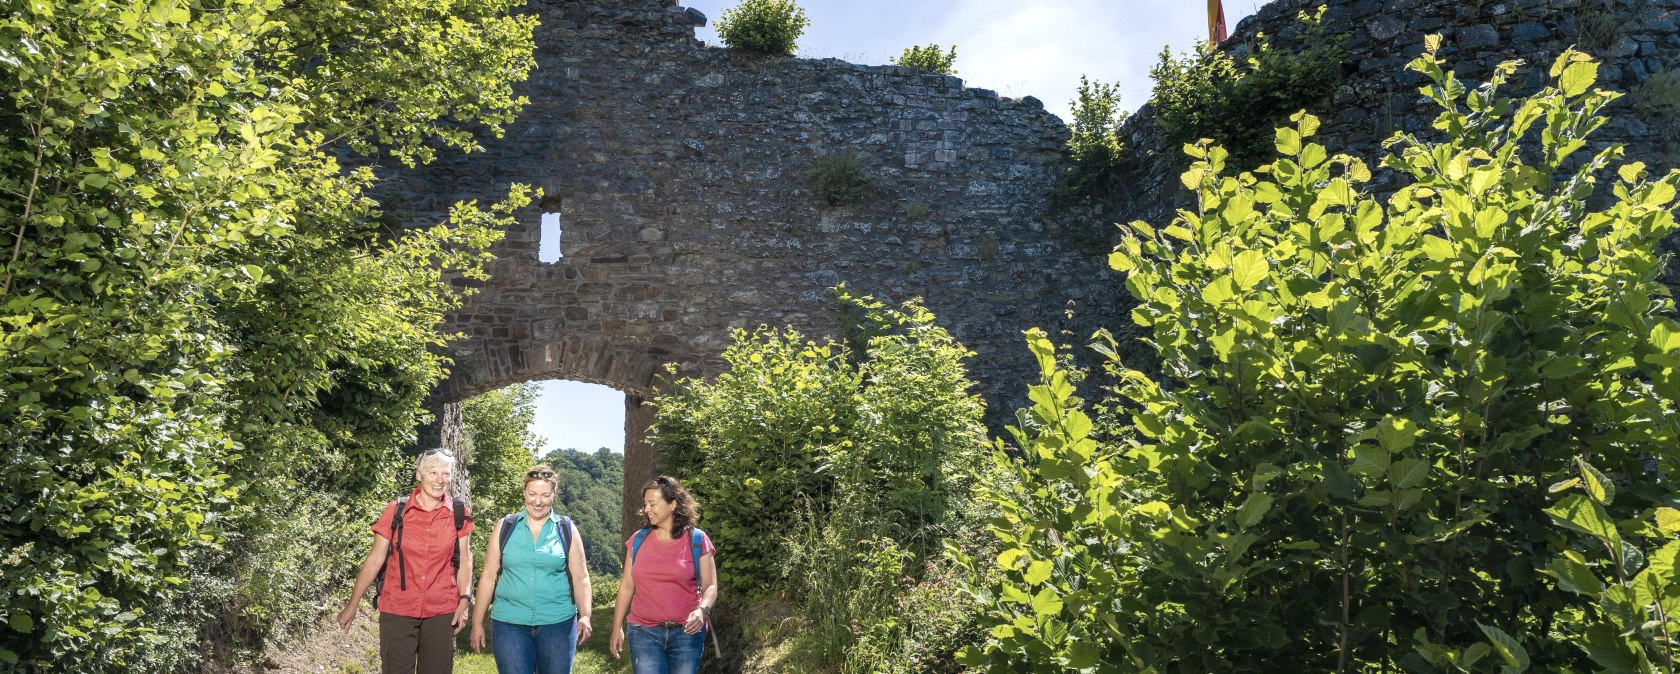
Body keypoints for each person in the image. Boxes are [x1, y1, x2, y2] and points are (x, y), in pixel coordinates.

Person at [338, 449, 476, 674]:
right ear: (419, 475)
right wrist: (352, 605)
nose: (440, 480)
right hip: (398, 608)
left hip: (441, 609)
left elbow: (465, 560)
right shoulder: (396, 510)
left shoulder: (458, 513)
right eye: (433, 473)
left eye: (446, 474)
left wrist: (464, 600)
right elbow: (374, 559)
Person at [469, 465, 593, 674]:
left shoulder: (566, 528)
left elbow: (581, 577)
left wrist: (585, 615)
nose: (538, 501)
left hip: (558, 623)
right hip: (509, 623)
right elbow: (489, 576)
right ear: (524, 492)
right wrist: (477, 622)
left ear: (554, 494)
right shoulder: (505, 526)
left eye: (545, 495)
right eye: (532, 494)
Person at [608, 475, 718, 674]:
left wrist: (702, 611)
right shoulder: (638, 541)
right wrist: (617, 628)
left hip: (687, 632)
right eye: (645, 504)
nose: (646, 509)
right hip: (643, 632)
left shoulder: (697, 540)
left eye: (652, 504)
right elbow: (626, 586)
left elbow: (711, 586)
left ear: (673, 505)